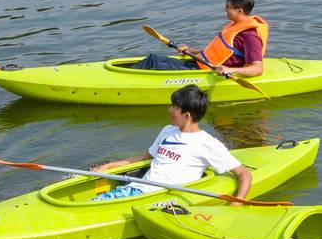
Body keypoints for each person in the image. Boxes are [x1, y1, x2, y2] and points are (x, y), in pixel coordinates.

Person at [91, 86, 254, 201]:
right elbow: (145, 157)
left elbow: (243, 173)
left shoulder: (207, 143)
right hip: (138, 189)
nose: (170, 110)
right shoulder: (168, 130)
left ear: (187, 115)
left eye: (175, 107)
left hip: (158, 197)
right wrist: (111, 165)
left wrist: (237, 201)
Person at [136, 0, 268, 77]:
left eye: (228, 7)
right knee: (152, 59)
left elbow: (257, 68)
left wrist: (231, 70)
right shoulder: (234, 26)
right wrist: (191, 50)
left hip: (206, 73)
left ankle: (129, 80)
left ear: (239, 10)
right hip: (200, 64)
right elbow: (218, 52)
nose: (225, 9)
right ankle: (128, 76)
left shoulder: (250, 36)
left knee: (156, 65)